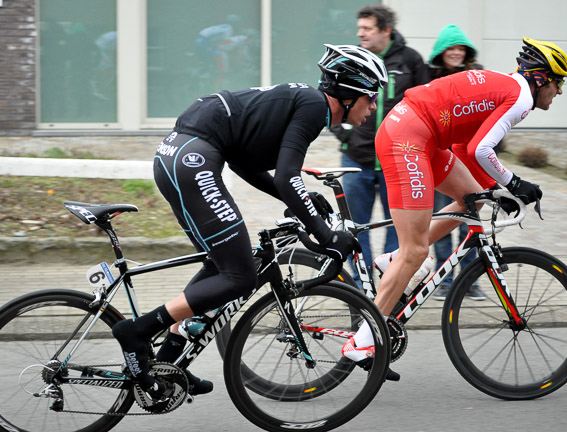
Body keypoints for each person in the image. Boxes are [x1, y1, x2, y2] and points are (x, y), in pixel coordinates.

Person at [111, 44, 388, 400]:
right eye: (370, 97)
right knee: (239, 276)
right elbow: (289, 178)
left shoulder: (303, 102)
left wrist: (306, 208)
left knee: (221, 268)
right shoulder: (314, 108)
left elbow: (247, 164)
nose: (374, 106)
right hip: (192, 157)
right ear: (348, 95)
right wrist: (325, 233)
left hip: (180, 155)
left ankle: (168, 364)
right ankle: (137, 332)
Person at [342, 37, 567, 379]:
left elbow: (466, 145)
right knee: (415, 251)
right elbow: (481, 149)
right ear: (541, 79)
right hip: (409, 138)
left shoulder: (508, 87)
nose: (560, 92)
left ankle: (393, 262)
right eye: (558, 83)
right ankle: (362, 341)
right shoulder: (521, 98)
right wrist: (513, 183)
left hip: (420, 134)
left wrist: (492, 189)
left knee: (472, 201)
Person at [329, 5, 429, 283]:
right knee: (354, 229)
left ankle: (389, 285)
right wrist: (346, 136)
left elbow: (425, 105)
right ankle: (361, 289)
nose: (360, 33)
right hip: (355, 160)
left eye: (367, 28)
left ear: (386, 30)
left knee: (399, 228)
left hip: (396, 161)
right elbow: (329, 99)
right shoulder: (351, 59)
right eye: (359, 27)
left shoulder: (411, 60)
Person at [428, 24, 485, 301]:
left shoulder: (477, 77)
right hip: (442, 163)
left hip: (469, 160)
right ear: (441, 52)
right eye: (451, 47)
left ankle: (469, 280)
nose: (456, 52)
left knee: (469, 221)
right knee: (445, 219)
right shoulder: (431, 79)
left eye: (460, 48)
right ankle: (446, 280)